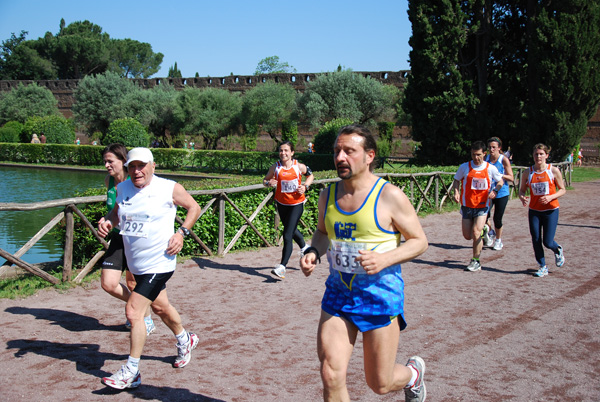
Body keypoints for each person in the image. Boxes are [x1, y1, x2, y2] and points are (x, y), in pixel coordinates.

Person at [300, 125, 429, 401]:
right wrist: (313, 251)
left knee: (380, 384)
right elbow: (323, 232)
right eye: (337, 151)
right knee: (330, 374)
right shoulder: (328, 195)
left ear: (369, 155)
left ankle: (413, 375)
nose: (340, 157)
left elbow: (419, 241)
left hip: (379, 297)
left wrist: (385, 258)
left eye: (349, 151)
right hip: (338, 295)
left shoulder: (389, 196)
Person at [98, 147, 202, 389]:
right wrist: (108, 222)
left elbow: (194, 208)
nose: (137, 171)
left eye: (141, 165)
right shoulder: (121, 189)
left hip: (160, 262)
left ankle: (132, 371)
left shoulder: (168, 187)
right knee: (160, 307)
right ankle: (185, 338)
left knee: (134, 312)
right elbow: (116, 213)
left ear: (153, 166)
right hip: (138, 263)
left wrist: (181, 233)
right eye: (132, 166)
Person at [99, 144, 155, 335]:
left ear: (123, 161)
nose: (106, 165)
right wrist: (106, 220)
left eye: (110, 161)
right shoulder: (109, 181)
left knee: (133, 283)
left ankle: (143, 316)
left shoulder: (135, 181)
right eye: (105, 161)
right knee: (108, 283)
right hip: (117, 237)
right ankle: (139, 306)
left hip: (135, 238)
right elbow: (114, 211)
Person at [263, 141, 314, 278]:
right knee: (291, 229)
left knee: (287, 235)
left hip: (296, 204)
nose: (283, 153)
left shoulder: (299, 166)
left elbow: (311, 175)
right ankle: (305, 247)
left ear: (292, 153)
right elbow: (265, 180)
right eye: (281, 150)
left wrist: (305, 186)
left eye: (286, 150)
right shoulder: (275, 167)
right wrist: (269, 183)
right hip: (281, 204)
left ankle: (282, 266)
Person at [451, 141, 504, 271]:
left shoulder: (490, 168)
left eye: (479, 155)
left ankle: (476, 261)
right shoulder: (465, 167)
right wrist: (456, 192)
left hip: (482, 206)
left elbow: (500, 181)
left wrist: (495, 191)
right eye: (474, 154)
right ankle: (485, 230)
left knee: (475, 233)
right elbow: (456, 180)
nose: (476, 157)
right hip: (467, 206)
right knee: (467, 236)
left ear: (484, 154)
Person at [518, 143, 566, 277]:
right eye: (536, 154)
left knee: (548, 241)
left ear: (546, 155)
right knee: (536, 238)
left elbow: (562, 189)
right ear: (533, 156)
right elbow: (521, 190)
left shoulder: (553, 171)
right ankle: (542, 266)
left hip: (551, 210)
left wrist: (551, 197)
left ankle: (557, 250)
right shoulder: (528, 172)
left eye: (541, 154)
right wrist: (522, 197)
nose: (538, 156)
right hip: (534, 210)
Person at [483, 137, 514, 250]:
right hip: (488, 193)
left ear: (499, 148)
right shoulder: (486, 159)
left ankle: (498, 241)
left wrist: (499, 175)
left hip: (501, 193)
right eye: (490, 147)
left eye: (494, 147)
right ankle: (491, 232)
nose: (491, 149)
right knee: (483, 216)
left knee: (497, 218)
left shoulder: (503, 159)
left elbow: (511, 177)